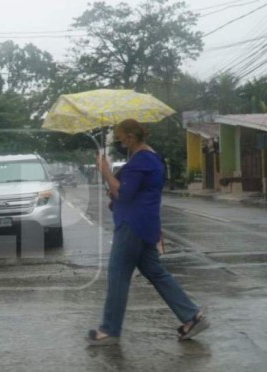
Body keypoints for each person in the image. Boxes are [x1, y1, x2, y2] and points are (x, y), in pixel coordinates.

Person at [87, 119, 209, 346]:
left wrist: (105, 171)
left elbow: (124, 194)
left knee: (118, 275)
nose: (120, 142)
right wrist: (110, 182)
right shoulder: (150, 157)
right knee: (156, 272)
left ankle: (110, 329)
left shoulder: (142, 161)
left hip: (132, 225)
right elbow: (122, 192)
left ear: (131, 138)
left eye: (121, 138)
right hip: (145, 224)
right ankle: (192, 316)